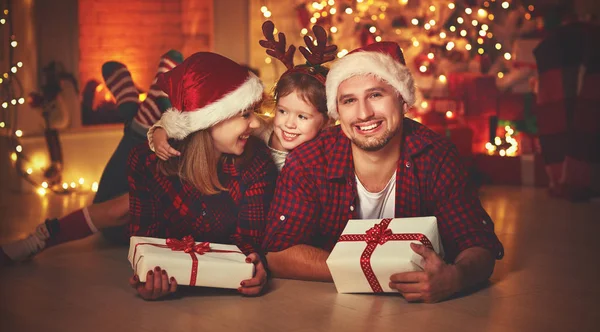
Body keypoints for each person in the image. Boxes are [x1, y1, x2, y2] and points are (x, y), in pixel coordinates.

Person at [262, 42, 504, 303]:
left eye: (376, 95)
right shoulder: (309, 161)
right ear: (338, 112)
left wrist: (455, 278)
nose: (364, 113)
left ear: (402, 99)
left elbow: (478, 243)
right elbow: (278, 253)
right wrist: (371, 270)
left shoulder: (436, 155)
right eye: (349, 100)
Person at [0, 51, 184, 265]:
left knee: (116, 202)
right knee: (127, 198)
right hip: (142, 207)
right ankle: (141, 119)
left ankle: (136, 117)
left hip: (128, 225)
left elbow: (115, 213)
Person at [126, 52, 278, 300]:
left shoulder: (257, 160)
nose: (255, 124)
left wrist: (255, 265)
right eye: (245, 114)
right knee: (111, 207)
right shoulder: (147, 162)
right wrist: (147, 274)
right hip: (125, 198)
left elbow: (249, 240)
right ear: (209, 120)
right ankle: (137, 109)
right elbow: (145, 239)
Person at [151, 21, 336, 172]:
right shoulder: (264, 129)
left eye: (302, 116)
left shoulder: (325, 148)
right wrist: (160, 132)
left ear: (326, 121)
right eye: (282, 111)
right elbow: (184, 122)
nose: (289, 123)